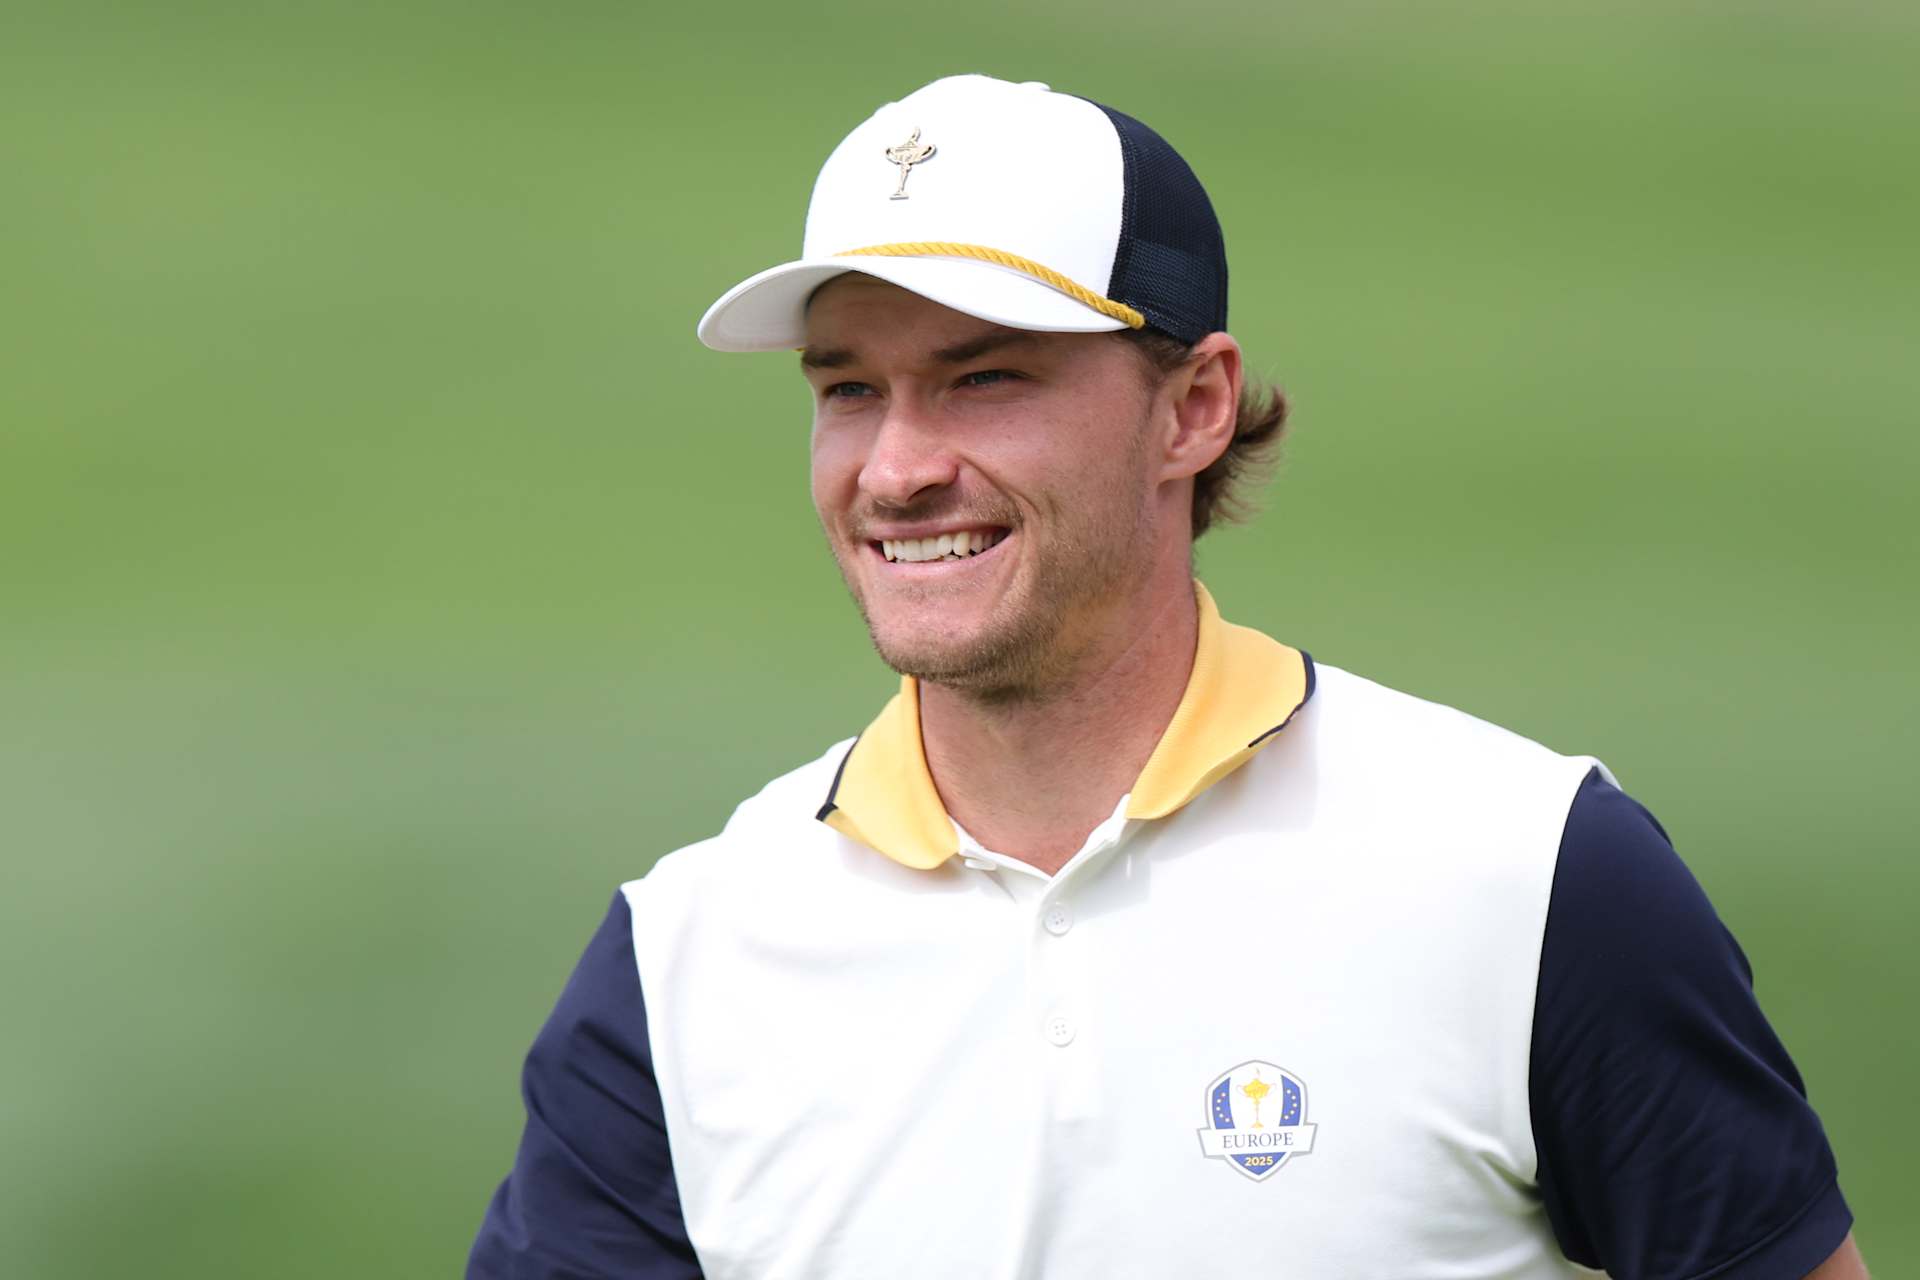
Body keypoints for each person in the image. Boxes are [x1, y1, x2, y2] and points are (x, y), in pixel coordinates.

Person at [468, 75, 1864, 1279]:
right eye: (847, 390)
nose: (896, 468)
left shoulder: (1533, 873)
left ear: (1192, 407)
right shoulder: (686, 963)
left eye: (985, 379)